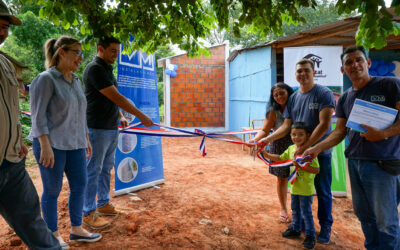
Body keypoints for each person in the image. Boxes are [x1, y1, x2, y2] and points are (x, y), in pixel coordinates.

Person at [304, 46, 400, 249]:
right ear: (343, 69)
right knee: (365, 216)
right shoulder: (346, 97)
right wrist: (316, 148)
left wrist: (382, 134)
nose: (354, 65)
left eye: (359, 60)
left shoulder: (390, 85)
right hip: (356, 163)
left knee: (386, 223)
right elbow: (339, 132)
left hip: (383, 165)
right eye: (349, 62)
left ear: (368, 63)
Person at [30, 36, 102, 248]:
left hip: (76, 144)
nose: (80, 58)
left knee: (80, 185)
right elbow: (38, 116)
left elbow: (80, 113)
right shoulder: (46, 79)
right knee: (52, 190)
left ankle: (76, 229)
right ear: (61, 52)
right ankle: (52, 234)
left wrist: (86, 138)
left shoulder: (76, 80)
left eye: (81, 54)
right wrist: (44, 145)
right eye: (77, 53)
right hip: (52, 145)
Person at [0, 1, 61, 249]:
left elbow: (11, 109)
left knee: (33, 223)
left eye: (6, 27)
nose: (4, 33)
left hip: (11, 162)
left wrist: (15, 141)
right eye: (1, 25)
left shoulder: (5, 63)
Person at [260, 58, 335, 244]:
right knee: (299, 191)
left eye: (306, 70)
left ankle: (325, 229)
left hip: (320, 153)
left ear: (314, 72)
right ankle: (299, 225)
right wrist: (267, 139)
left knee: (323, 191)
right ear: (295, 74)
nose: (302, 74)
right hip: (299, 155)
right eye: (299, 71)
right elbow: (286, 126)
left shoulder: (323, 93)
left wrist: (306, 146)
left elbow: (325, 124)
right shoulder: (293, 98)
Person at [83, 36, 154, 229]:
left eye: (117, 51)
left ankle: (103, 204)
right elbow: (118, 97)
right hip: (96, 128)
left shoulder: (106, 68)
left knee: (106, 168)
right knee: (93, 170)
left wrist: (121, 115)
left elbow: (112, 99)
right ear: (100, 49)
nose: (116, 55)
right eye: (113, 51)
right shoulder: (95, 69)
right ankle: (88, 212)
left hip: (109, 127)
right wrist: (142, 116)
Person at [263, 122, 319, 249]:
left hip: (306, 190)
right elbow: (280, 158)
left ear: (307, 135)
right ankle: (296, 229)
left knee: (306, 213)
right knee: (295, 210)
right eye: (294, 134)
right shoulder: (291, 149)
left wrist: (302, 166)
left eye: (300, 134)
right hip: (294, 188)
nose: (297, 137)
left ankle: (310, 236)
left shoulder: (309, 151)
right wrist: (267, 155)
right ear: (290, 135)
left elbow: (317, 170)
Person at [249, 82, 294, 223]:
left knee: (299, 178)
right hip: (279, 146)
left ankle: (299, 210)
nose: (279, 96)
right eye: (275, 95)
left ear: (289, 92)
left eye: (282, 93)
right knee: (281, 179)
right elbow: (265, 129)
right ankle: (284, 209)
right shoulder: (272, 111)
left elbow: (286, 128)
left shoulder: (296, 107)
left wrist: (266, 139)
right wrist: (255, 140)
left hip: (296, 145)